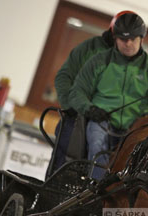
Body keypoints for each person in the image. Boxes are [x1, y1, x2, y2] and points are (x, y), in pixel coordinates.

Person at [69, 11, 148, 180]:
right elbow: (77, 92)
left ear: (141, 39)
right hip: (101, 120)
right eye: (123, 39)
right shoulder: (99, 61)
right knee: (96, 143)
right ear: (115, 39)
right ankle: (97, 189)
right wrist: (90, 109)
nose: (128, 43)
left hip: (136, 127)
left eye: (133, 39)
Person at [48, 11, 129, 175]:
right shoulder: (89, 48)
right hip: (75, 121)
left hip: (107, 128)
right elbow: (64, 77)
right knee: (61, 170)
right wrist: (70, 105)